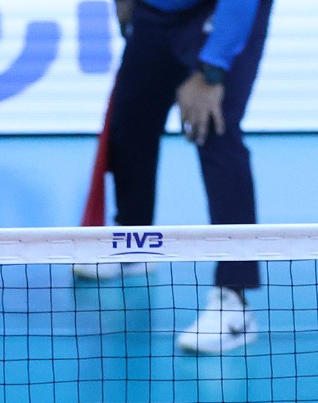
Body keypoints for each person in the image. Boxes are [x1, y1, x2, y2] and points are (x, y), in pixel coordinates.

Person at [76, 0, 275, 354]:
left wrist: (212, 70)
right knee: (131, 119)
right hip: (156, 11)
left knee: (215, 131)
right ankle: (133, 247)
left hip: (222, 13)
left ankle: (234, 301)